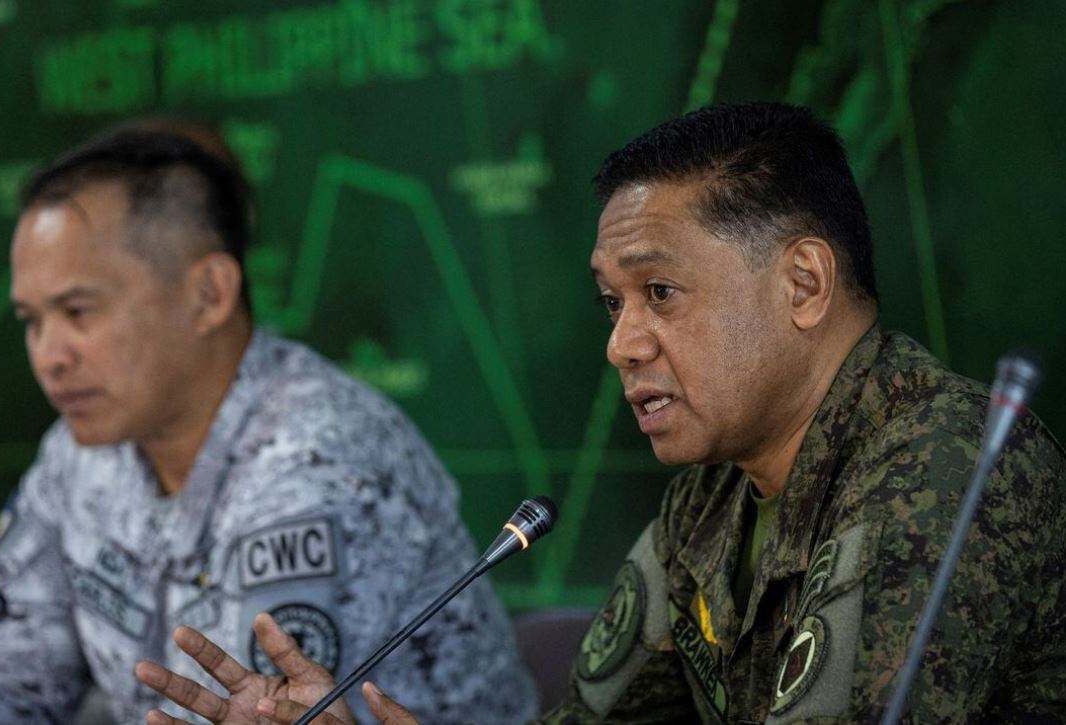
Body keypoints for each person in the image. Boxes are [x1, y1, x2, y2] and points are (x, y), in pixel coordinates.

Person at [138, 102, 1066, 724]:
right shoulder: (712, 492)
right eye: (611, 304)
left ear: (805, 282)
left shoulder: (947, 468)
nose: (623, 342)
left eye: (660, 291)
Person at [0, 126, 538, 724]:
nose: (48, 355)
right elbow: (4, 680)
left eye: (77, 311)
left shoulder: (319, 464)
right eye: (32, 321)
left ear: (209, 293)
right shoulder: (80, 447)